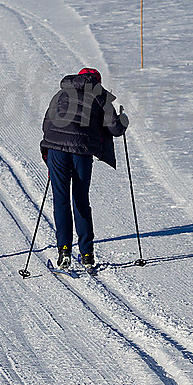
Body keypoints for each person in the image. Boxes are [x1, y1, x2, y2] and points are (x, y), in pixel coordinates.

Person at [40, 68, 128, 269]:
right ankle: (87, 254)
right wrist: (123, 120)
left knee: (60, 200)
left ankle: (64, 252)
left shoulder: (61, 93)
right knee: (80, 199)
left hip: (56, 149)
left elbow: (47, 124)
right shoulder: (100, 95)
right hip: (82, 152)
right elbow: (115, 129)